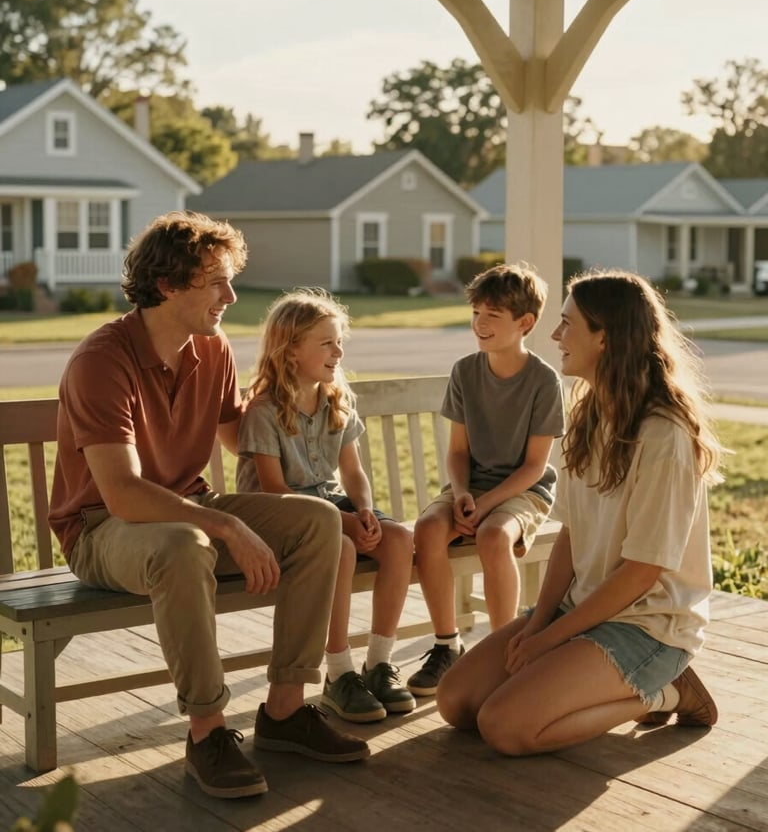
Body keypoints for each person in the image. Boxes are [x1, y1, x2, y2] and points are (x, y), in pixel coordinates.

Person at [48, 211, 369, 801]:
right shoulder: (102, 360)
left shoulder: (211, 348)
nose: (231, 295)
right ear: (168, 285)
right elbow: (121, 492)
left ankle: (285, 712)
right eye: (216, 281)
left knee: (318, 519)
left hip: (190, 508)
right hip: (104, 529)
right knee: (183, 542)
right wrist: (225, 524)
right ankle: (207, 732)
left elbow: (237, 435)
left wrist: (305, 395)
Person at [436, 269, 722, 756]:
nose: (554, 335)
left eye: (567, 324)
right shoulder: (591, 411)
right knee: (456, 702)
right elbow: (571, 533)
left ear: (604, 337)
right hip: (583, 607)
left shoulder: (665, 436)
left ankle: (670, 691)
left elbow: (642, 571)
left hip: (648, 623)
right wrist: (538, 622)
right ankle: (598, 671)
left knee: (506, 727)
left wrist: (548, 643)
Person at [236, 288, 416, 724]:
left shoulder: (337, 399)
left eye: (340, 342)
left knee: (398, 539)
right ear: (291, 350)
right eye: (327, 343)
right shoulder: (265, 410)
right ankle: (338, 673)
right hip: (281, 515)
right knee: (344, 548)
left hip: (332, 505)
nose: (338, 351)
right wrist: (345, 523)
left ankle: (378, 664)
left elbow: (352, 473)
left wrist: (365, 510)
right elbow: (274, 488)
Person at [407, 263, 565, 698]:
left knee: (495, 536)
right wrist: (461, 494)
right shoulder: (465, 372)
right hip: (470, 487)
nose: (479, 324)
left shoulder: (544, 381)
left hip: (523, 492)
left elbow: (535, 467)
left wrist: (489, 502)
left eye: (492, 316)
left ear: (525, 323)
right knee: (427, 528)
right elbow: (458, 452)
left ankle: (502, 652)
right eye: (476, 313)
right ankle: (446, 645)